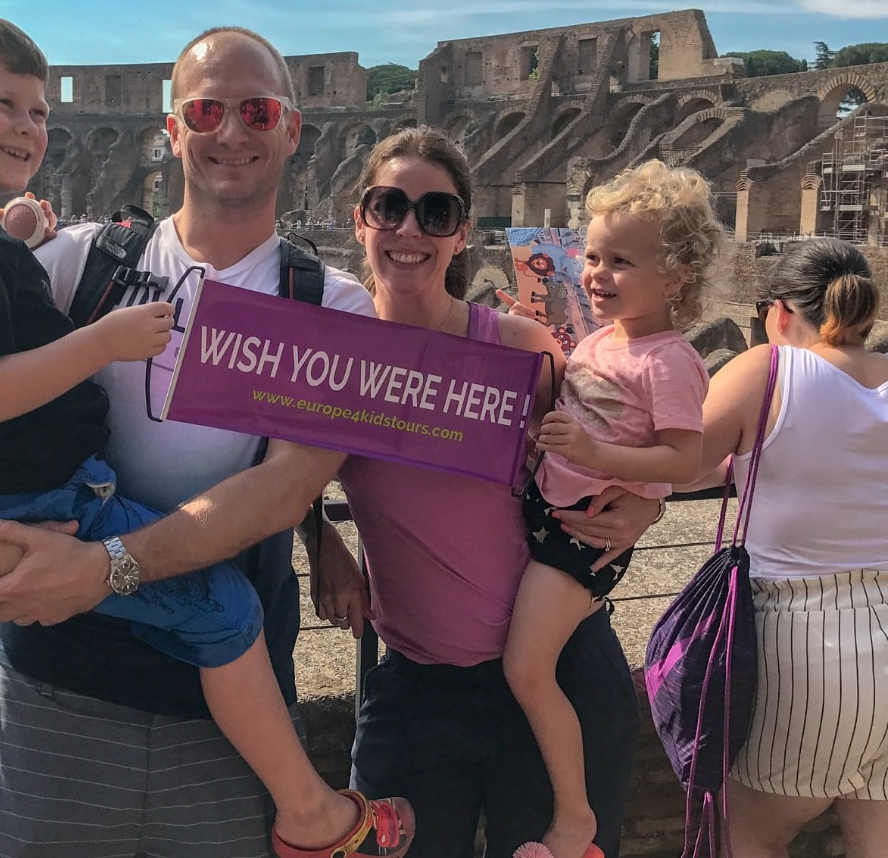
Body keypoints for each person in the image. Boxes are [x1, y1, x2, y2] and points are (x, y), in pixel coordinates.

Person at [0, 24, 413, 858]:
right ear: (172, 131)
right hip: (51, 697)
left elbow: (282, 491)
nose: (230, 131)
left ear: (291, 128)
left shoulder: (333, 309)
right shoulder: (77, 264)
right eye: (204, 110)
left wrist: (104, 568)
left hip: (225, 723)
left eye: (256, 109)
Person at [315, 127, 663, 858]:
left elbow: (624, 445)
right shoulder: (335, 360)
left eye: (435, 213)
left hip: (559, 670)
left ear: (461, 233)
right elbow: (260, 457)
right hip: (419, 686)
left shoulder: (521, 349)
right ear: (361, 219)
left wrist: (651, 501)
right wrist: (320, 541)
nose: (410, 230)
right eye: (390, 207)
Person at [497, 160, 724, 858]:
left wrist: (599, 459)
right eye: (593, 255)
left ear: (677, 276)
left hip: (576, 541)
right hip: (553, 516)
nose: (596, 273)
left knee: (525, 670)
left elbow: (686, 462)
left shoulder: (669, 360)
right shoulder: (600, 340)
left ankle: (574, 819)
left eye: (621, 260)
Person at [685, 238, 888, 858]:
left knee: (744, 837)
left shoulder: (765, 370)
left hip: (812, 640)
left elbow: (674, 464)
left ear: (778, 314)